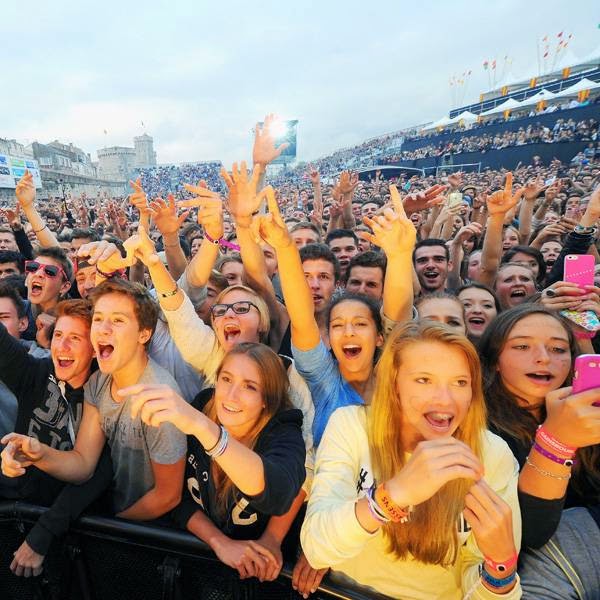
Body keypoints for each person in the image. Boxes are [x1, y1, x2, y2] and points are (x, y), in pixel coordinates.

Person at [301, 321, 521, 599]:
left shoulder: (492, 453)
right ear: (394, 385)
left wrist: (500, 568)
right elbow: (316, 548)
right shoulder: (352, 426)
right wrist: (391, 497)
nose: (445, 399)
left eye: (460, 382)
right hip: (346, 593)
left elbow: (481, 584)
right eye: (424, 380)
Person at [2, 279, 187, 521]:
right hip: (110, 515)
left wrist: (113, 526)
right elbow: (83, 464)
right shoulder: (99, 382)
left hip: (148, 531)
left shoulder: (159, 401)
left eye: (118, 320)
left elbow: (167, 496)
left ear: (144, 333)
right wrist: (38, 452)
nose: (104, 329)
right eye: (98, 319)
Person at [122, 343, 306, 582]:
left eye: (249, 387)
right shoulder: (204, 406)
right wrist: (220, 542)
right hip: (198, 564)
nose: (231, 395)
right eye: (226, 379)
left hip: (258, 579)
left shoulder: (283, 431)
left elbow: (279, 493)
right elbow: (178, 497)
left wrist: (205, 430)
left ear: (266, 400)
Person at [479, 305, 600, 597]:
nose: (544, 358)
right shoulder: (477, 426)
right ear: (495, 360)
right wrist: (555, 443)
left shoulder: (585, 409)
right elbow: (530, 534)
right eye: (522, 346)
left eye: (558, 349)